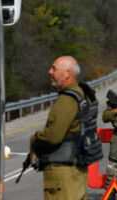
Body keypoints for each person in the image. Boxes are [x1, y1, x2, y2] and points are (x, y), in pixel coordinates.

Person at [30, 56, 88, 200]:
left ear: (67, 73)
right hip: (76, 171)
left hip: (63, 175)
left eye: (54, 68)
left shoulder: (67, 99)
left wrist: (35, 137)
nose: (50, 71)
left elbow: (53, 136)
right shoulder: (82, 94)